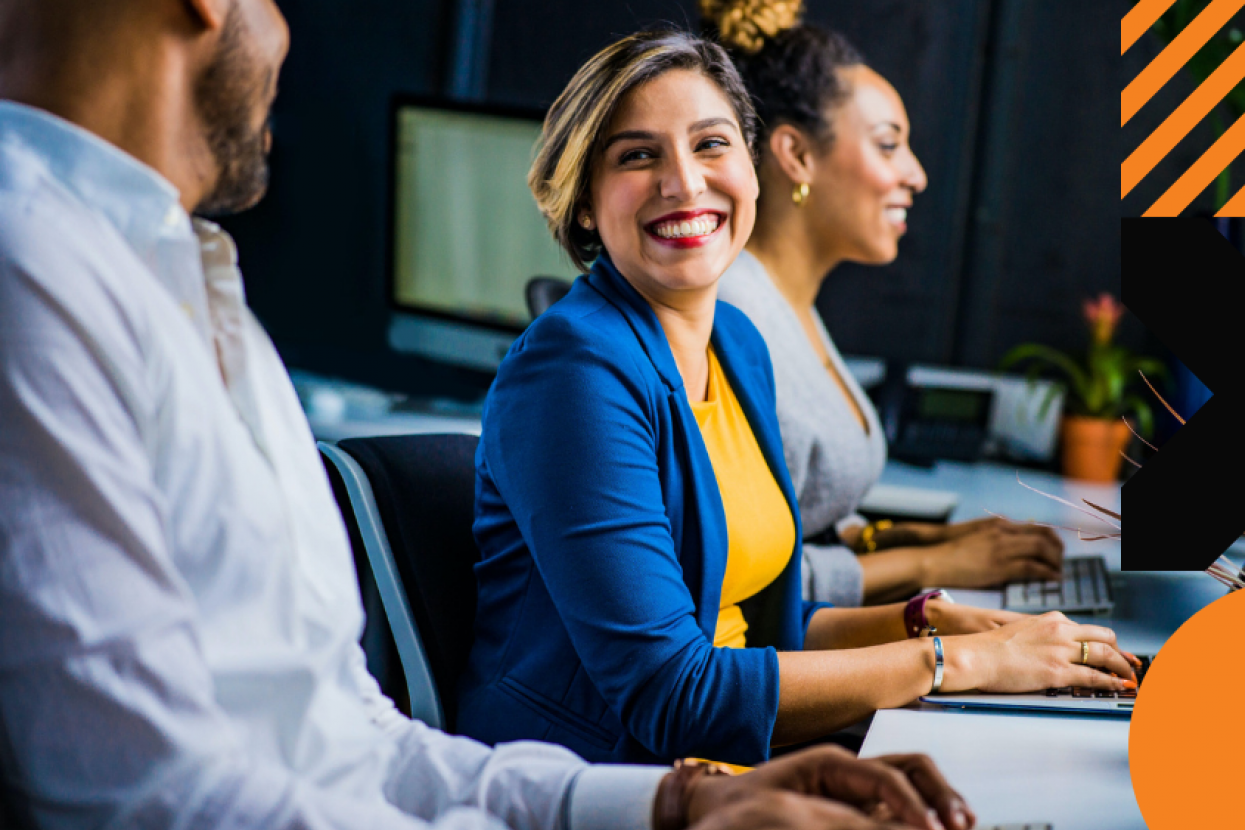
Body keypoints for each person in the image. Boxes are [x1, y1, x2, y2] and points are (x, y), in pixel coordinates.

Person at [0, 1, 977, 828]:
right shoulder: (34, 273)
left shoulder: (192, 286)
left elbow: (349, 734)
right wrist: (937, 657)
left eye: (711, 144)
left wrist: (670, 806)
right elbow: (153, 793)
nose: (288, 28)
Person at [458, 27, 1138, 770]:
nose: (684, 182)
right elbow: (670, 694)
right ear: (585, 203)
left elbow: (762, 630)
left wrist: (927, 621)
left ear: (752, 169)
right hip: (601, 781)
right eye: (637, 155)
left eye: (711, 144)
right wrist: (957, 662)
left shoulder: (738, 344)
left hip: (736, 764)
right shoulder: (573, 371)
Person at [703, 0, 1066, 608]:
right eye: (888, 145)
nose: (917, 175)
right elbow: (738, 578)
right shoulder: (736, 320)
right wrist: (929, 562)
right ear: (796, 155)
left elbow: (800, 515)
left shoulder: (789, 305)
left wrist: (915, 536)